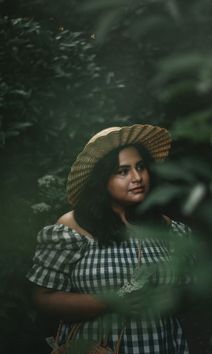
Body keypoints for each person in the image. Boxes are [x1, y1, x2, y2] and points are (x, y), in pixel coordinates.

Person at [27, 124, 191, 354]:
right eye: (122, 171)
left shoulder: (167, 228)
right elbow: (42, 299)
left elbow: (189, 295)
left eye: (141, 167)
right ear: (102, 179)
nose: (137, 177)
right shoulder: (73, 227)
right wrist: (110, 301)